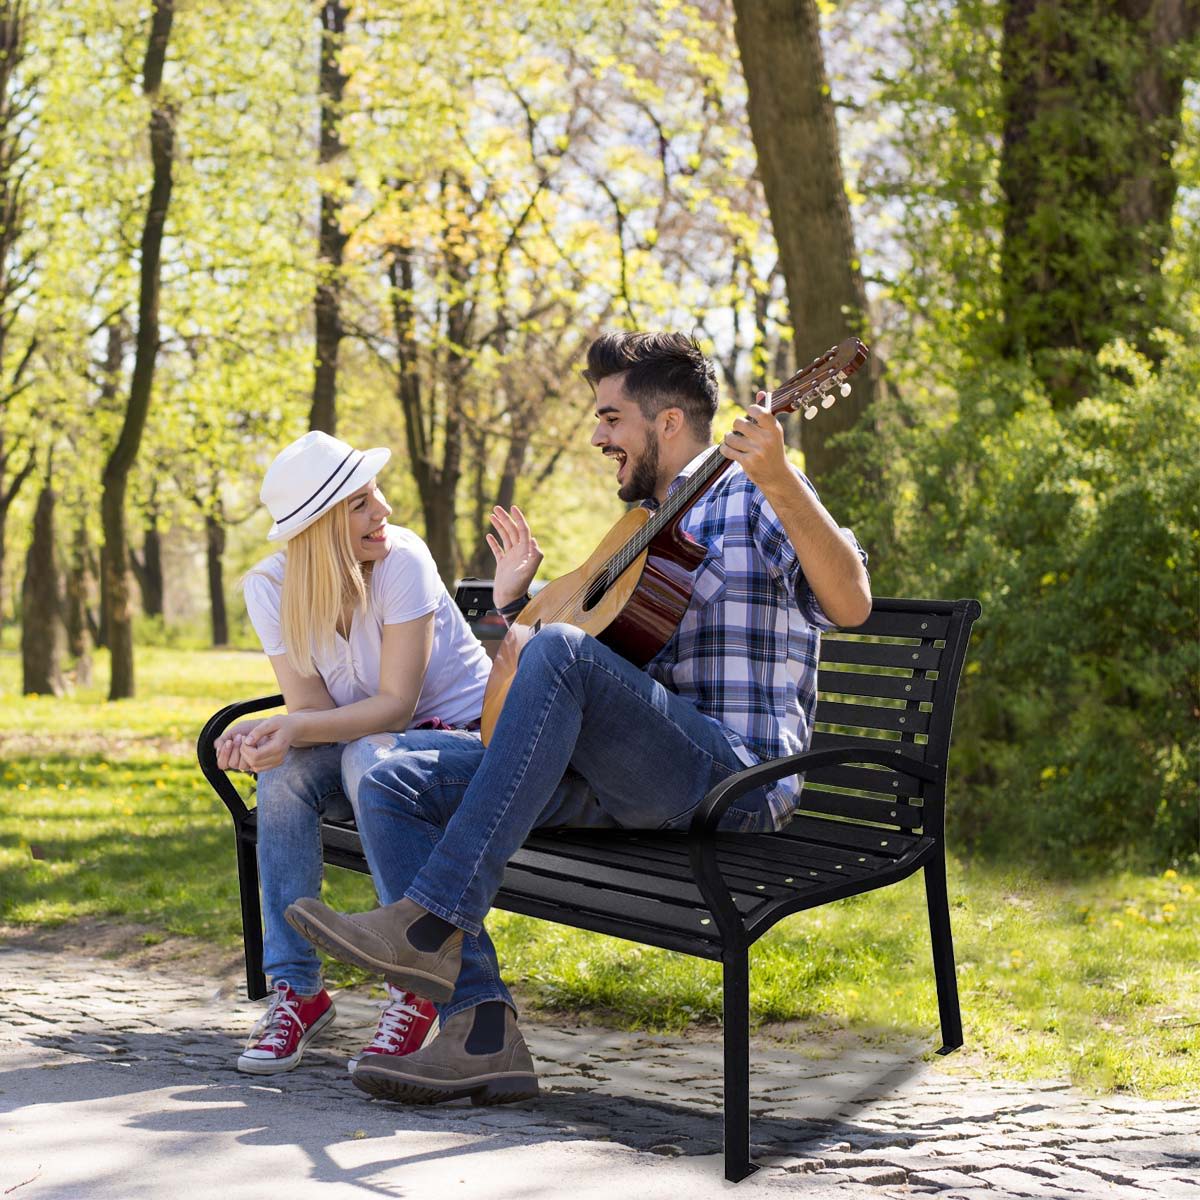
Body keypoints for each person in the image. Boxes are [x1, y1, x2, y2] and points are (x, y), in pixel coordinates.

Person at [283, 331, 873, 1105]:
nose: (597, 438)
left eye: (610, 419)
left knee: (559, 653)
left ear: (666, 424)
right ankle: (481, 1030)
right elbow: (587, 653)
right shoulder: (643, 526)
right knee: (395, 779)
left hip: (735, 777)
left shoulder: (751, 491)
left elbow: (852, 603)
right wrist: (515, 615)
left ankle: (427, 926)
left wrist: (783, 477)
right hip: (632, 777)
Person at [214, 429, 495, 1076]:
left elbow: (397, 704)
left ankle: (414, 980)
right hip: (367, 745)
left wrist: (293, 727)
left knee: (369, 758)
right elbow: (310, 712)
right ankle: (298, 991)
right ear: (318, 525)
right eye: (362, 503)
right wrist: (267, 738)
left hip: (457, 744)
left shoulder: (403, 561)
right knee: (284, 770)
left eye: (377, 496)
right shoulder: (269, 587)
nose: (385, 511)